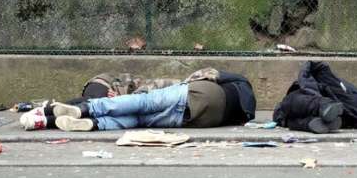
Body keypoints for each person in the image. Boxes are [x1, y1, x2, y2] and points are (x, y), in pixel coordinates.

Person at [49, 68, 256, 132]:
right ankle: (94, 124)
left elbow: (209, 73)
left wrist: (186, 82)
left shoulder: (241, 82)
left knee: (144, 104)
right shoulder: (248, 112)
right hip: (204, 119)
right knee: (141, 120)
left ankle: (87, 109)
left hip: (202, 93)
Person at [273, 61, 357, 134]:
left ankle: (320, 110)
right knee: (288, 116)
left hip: (329, 102)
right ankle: (314, 118)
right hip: (328, 99)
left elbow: (308, 70)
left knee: (289, 106)